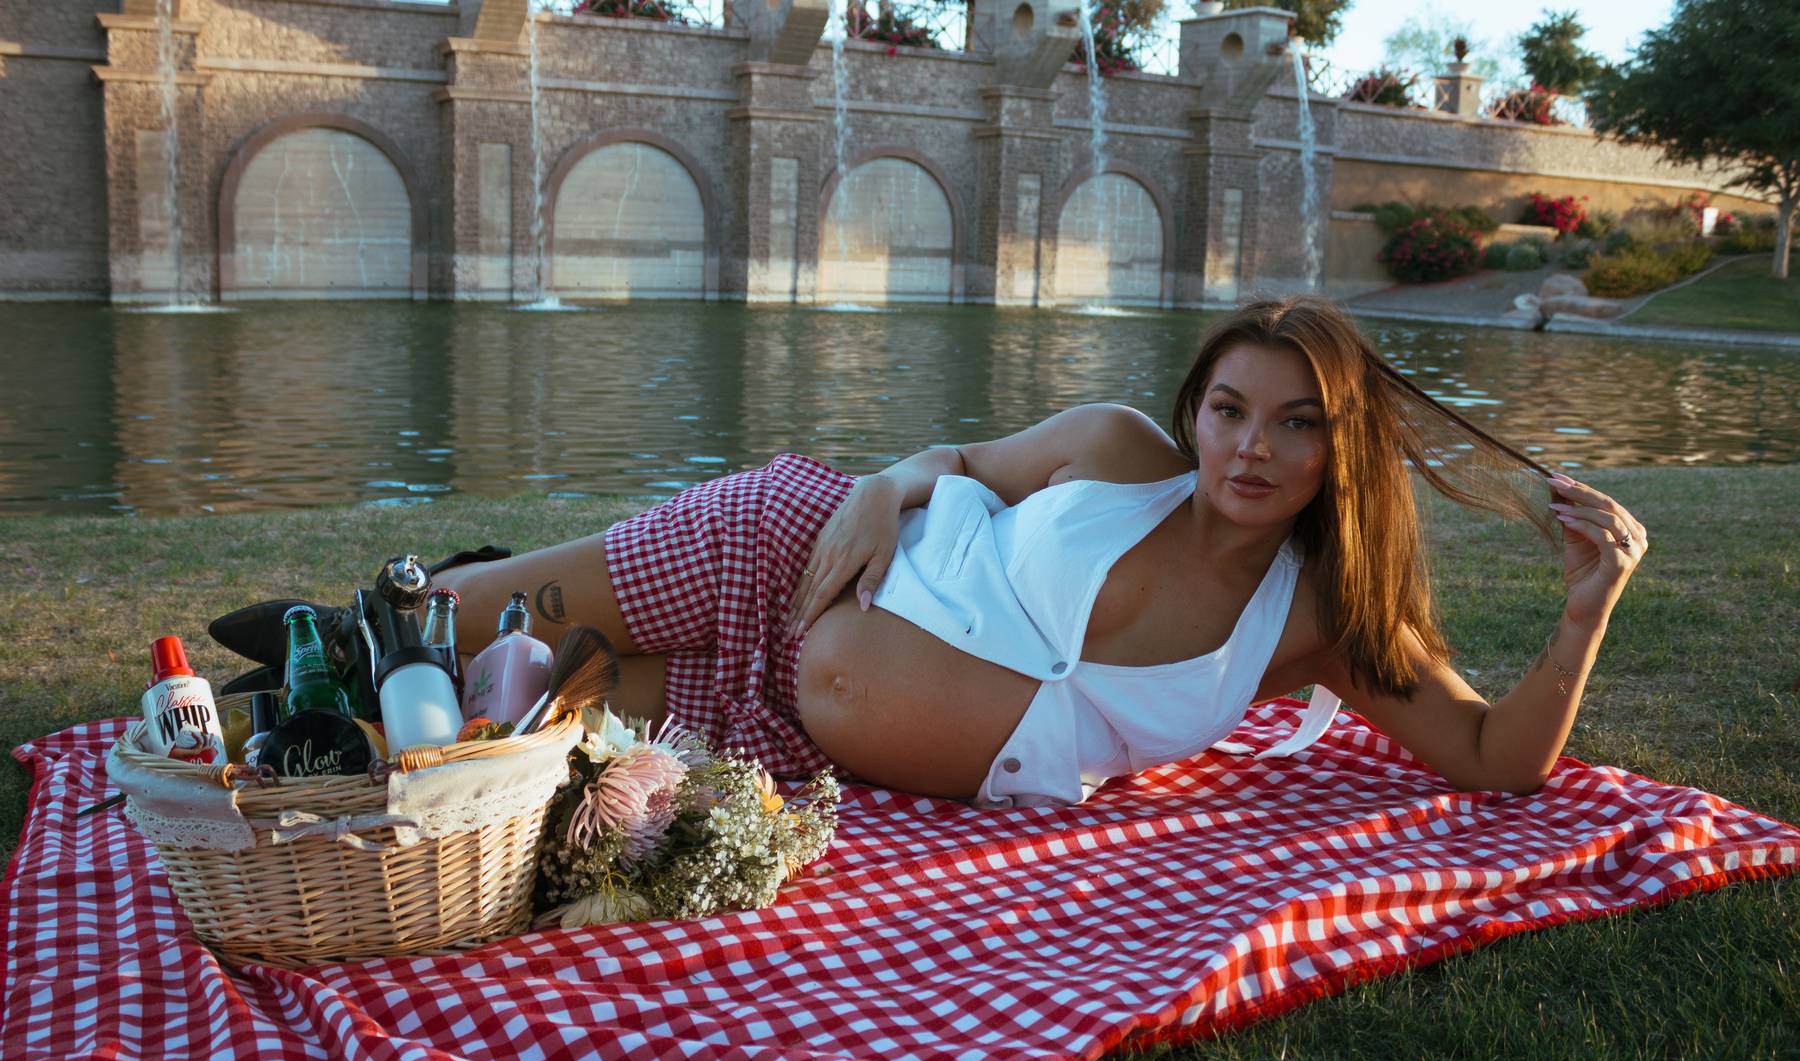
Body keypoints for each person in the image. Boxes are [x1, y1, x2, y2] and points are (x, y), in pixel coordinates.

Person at [435, 296, 1647, 807]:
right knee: (468, 618)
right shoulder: (1120, 450)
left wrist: (1584, 613)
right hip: (783, 550)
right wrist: (882, 482)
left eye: (1297, 423)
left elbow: (1497, 757)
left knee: (511, 718)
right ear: (1196, 408)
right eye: (1231, 409)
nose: (1251, 449)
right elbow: (958, 458)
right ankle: (349, 626)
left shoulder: (1317, 618)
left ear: (1343, 450)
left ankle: (323, 718)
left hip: (778, 729)